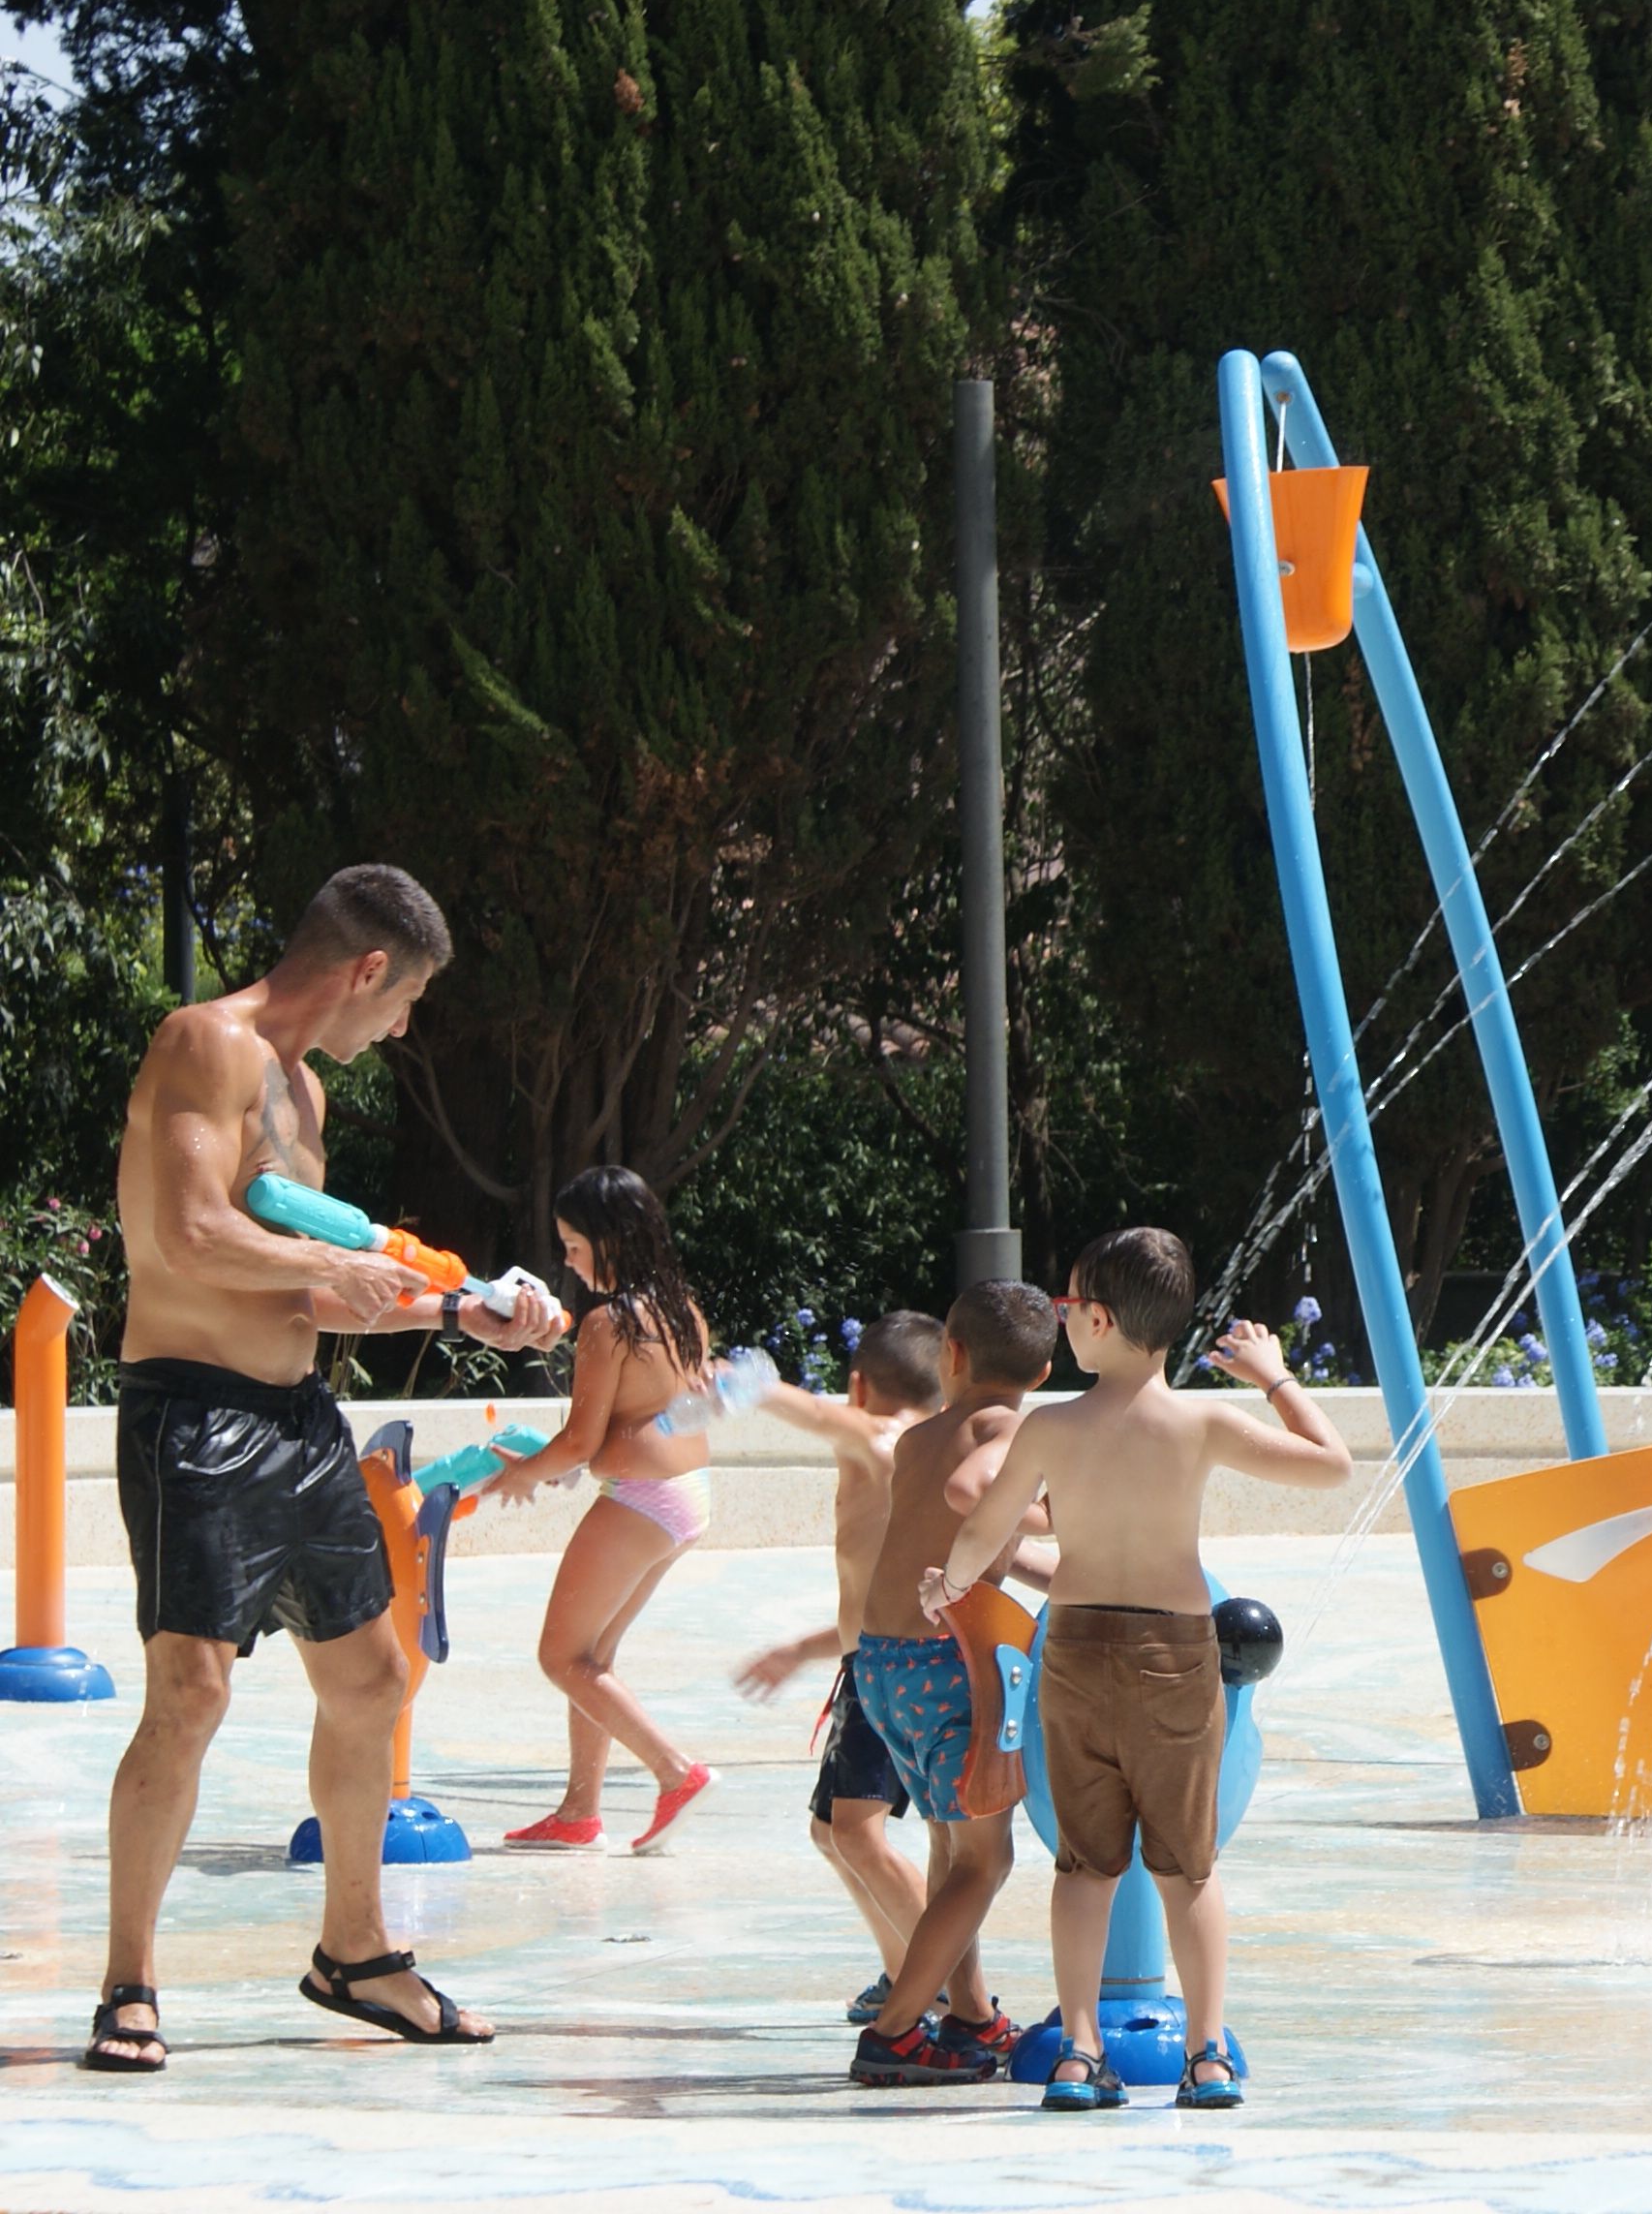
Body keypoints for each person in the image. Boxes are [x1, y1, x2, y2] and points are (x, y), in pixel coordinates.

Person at [88, 865, 571, 2072]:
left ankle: (353, 1952)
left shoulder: (304, 1095)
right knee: (190, 1696)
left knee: (372, 1680)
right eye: (402, 1002)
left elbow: (312, 1282)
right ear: (365, 972)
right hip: (191, 1413)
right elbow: (196, 1232)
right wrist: (349, 1287)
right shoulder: (208, 1042)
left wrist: (459, 1317)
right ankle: (127, 1981)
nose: (399, 1028)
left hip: (298, 1414)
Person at [924, 1230, 1352, 2110]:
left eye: (1073, 1306)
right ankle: (1207, 2056)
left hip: (1076, 1649)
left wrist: (951, 1586)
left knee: (1084, 1867)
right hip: (1175, 1656)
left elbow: (985, 1529)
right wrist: (1273, 1378)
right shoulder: (1201, 1423)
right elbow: (1333, 1466)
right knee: (1187, 1870)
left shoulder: (1051, 1427)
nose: (1065, 1319)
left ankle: (1080, 2053)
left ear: (1103, 1321)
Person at [731, 1309, 1056, 2021]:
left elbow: (826, 1420)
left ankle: (926, 1990)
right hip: (901, 1659)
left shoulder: (893, 1438)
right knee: (893, 1839)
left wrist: (751, 1384)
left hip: (891, 1667)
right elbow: (963, 1552)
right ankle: (918, 1979)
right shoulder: (953, 1446)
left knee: (880, 1837)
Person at [845, 1279, 1058, 2084]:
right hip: (949, 1666)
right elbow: (983, 1510)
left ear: (952, 1354)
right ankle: (897, 2030)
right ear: (1041, 1376)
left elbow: (959, 1516)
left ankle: (970, 2018)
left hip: (881, 1665)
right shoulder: (1014, 1433)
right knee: (984, 1860)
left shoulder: (915, 1441)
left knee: (947, 1841)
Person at [480, 1166, 719, 1855]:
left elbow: (580, 1441)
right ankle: (579, 1810)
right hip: (685, 1495)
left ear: (609, 1240)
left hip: (643, 1500)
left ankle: (675, 1771)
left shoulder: (608, 1321)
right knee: (593, 1658)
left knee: (560, 1657)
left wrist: (521, 1476)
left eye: (574, 1245)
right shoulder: (681, 1308)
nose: (568, 1261)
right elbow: (681, 1408)